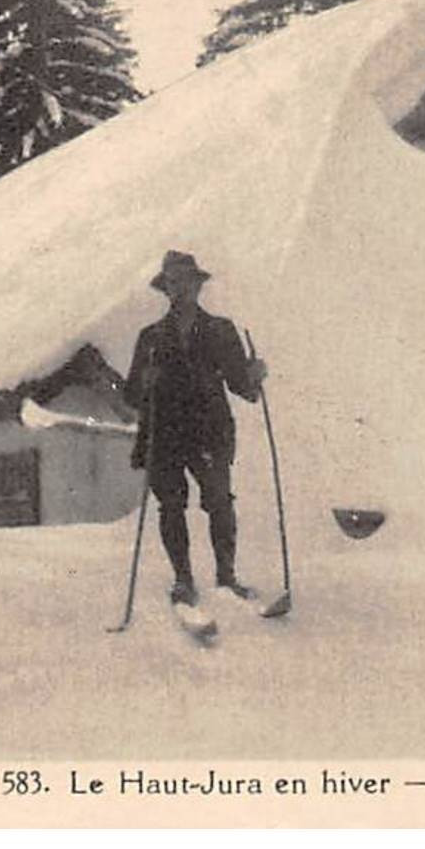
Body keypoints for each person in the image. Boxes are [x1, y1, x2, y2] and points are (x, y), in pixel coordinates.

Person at [126, 251, 268, 609]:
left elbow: (242, 387)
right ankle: (183, 581)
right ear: (166, 289)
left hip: (209, 431)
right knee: (171, 506)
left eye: (186, 281)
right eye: (172, 282)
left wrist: (253, 376)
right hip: (165, 434)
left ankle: (227, 577)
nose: (180, 289)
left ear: (197, 285)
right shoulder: (151, 338)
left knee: (220, 502)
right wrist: (145, 381)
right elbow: (131, 394)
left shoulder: (221, 330)